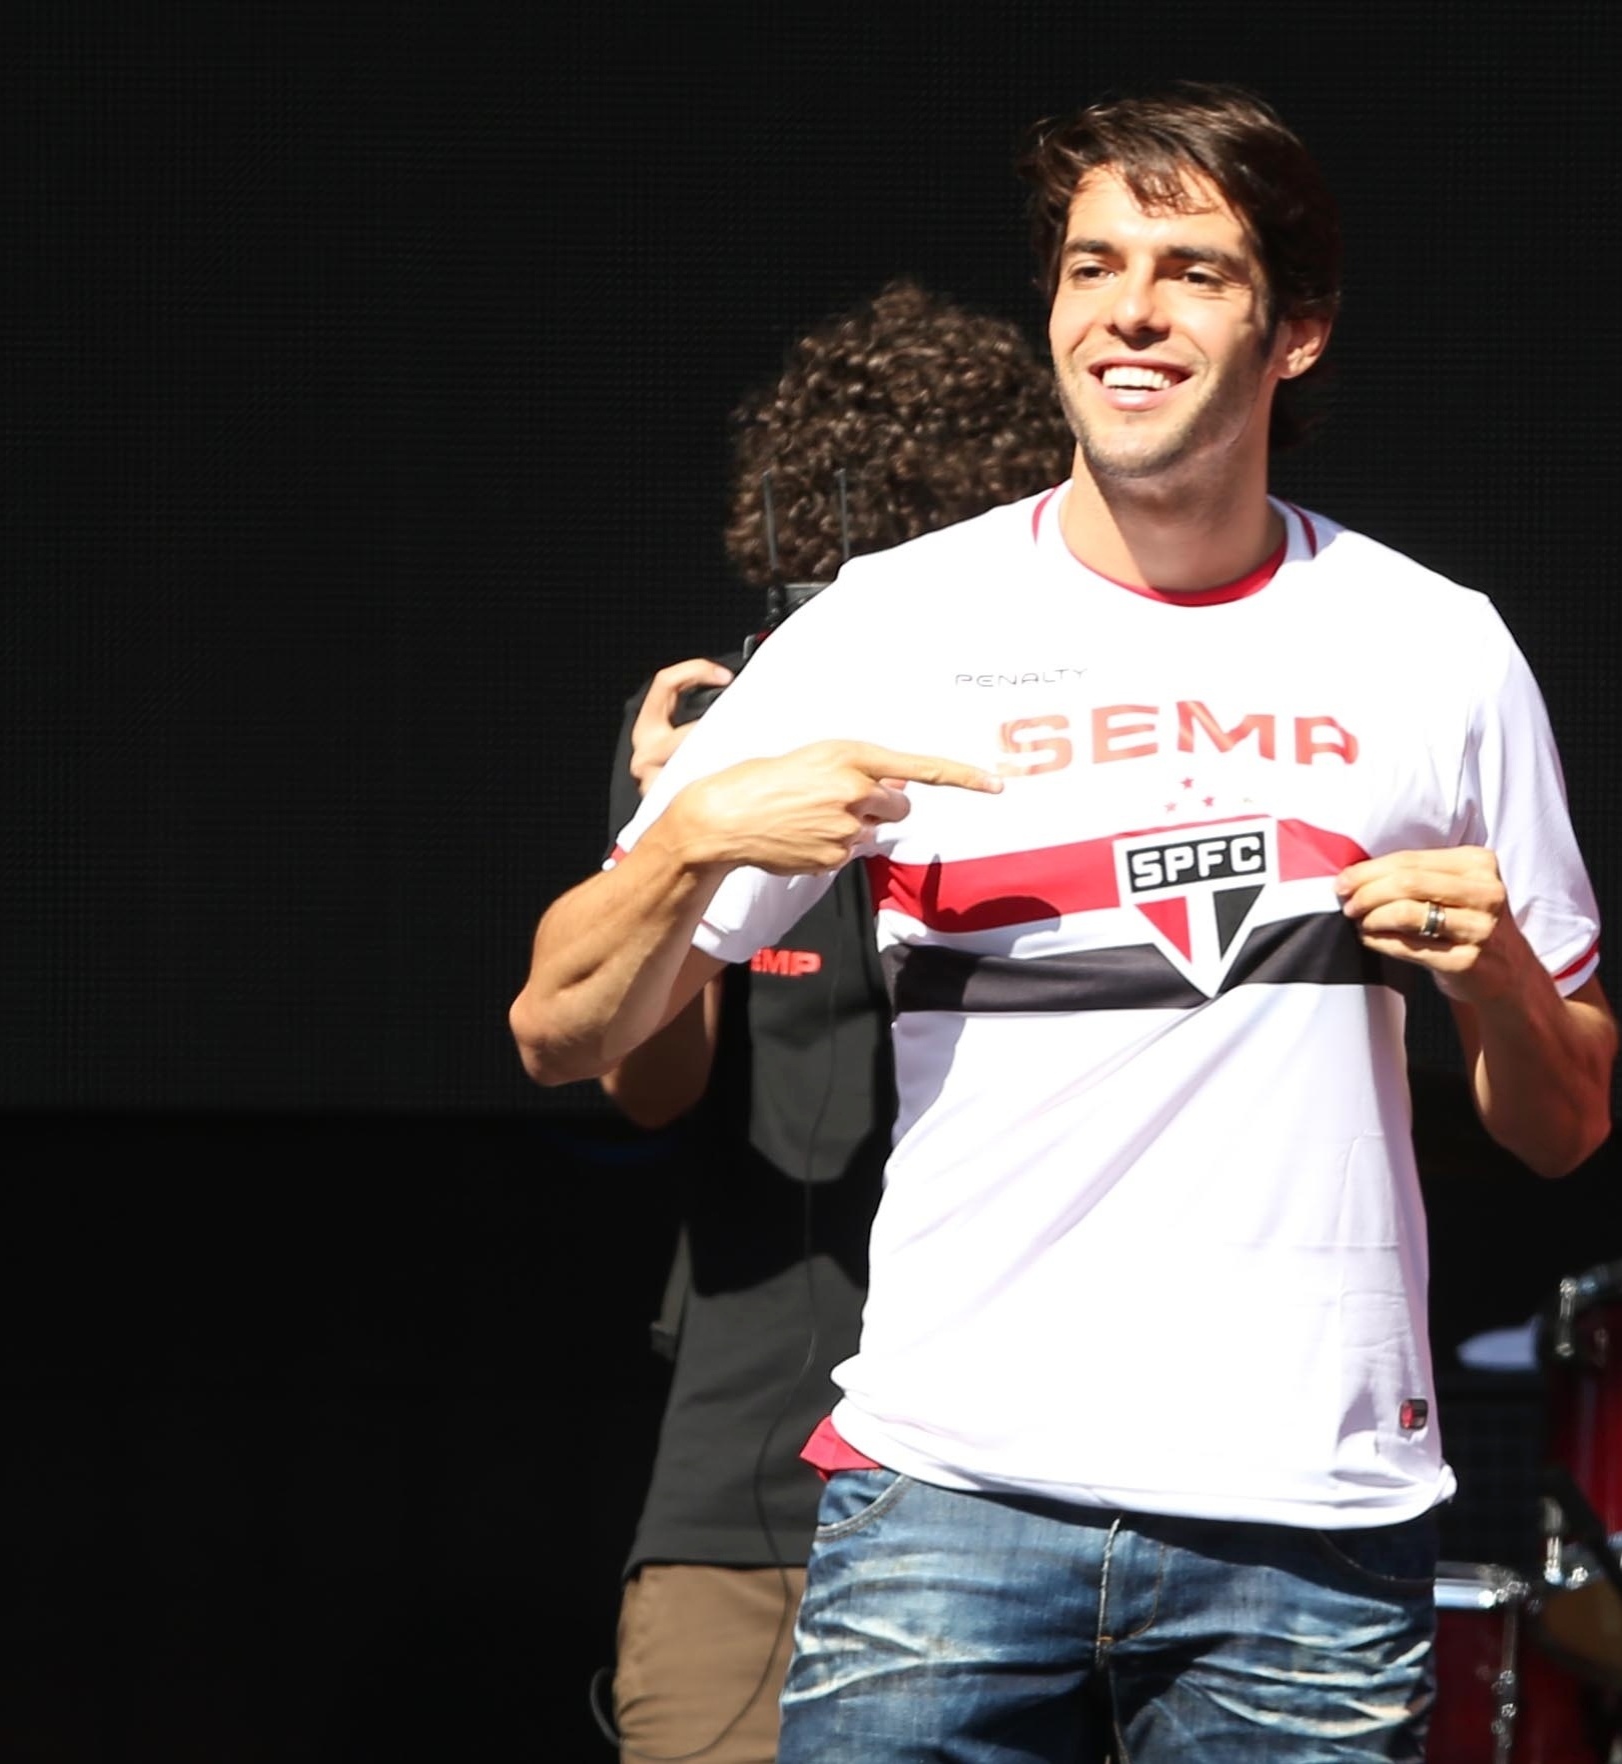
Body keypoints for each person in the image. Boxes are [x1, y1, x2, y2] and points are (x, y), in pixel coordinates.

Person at [513, 82, 1617, 1762]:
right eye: (1094, 265)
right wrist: (685, 853)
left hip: (1310, 1524)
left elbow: (1568, 1125)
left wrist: (1506, 988)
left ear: (1295, 332)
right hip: (950, 1497)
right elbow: (559, 1029)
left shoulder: (1437, 647)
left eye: (1192, 270)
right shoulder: (893, 623)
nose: (1130, 310)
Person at [599, 280, 1073, 1764]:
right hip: (755, 1481)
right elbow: (644, 1084)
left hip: (1040, 1483)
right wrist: (673, 844)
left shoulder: (1072, 737)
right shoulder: (732, 745)